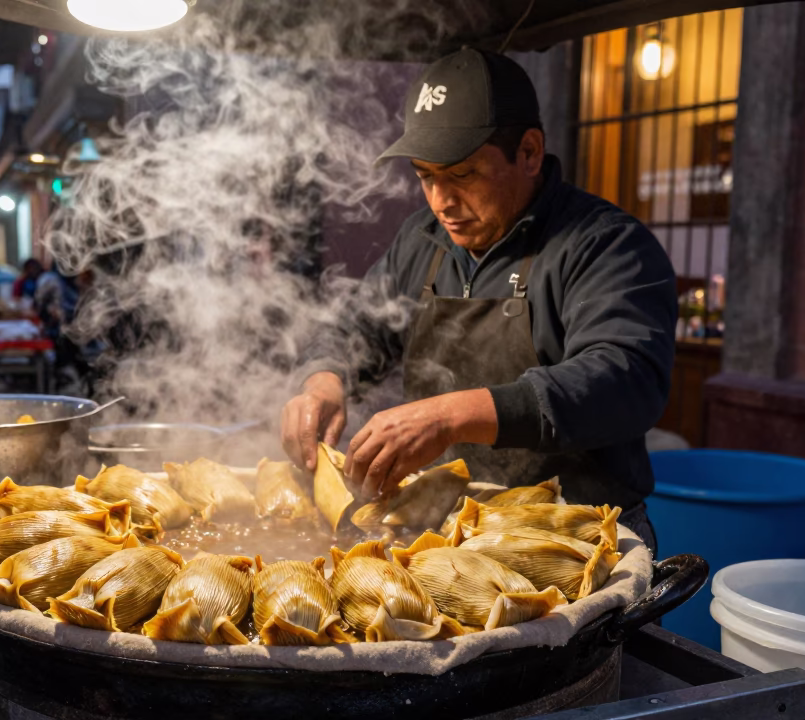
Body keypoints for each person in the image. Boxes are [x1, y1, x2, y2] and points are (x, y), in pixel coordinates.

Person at [280, 49, 677, 552]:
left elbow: (626, 379)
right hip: (450, 540)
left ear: (529, 152)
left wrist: (449, 416)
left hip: (577, 539)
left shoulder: (605, 245)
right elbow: (356, 328)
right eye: (425, 175)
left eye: (462, 174)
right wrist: (323, 380)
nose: (441, 200)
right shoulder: (422, 240)